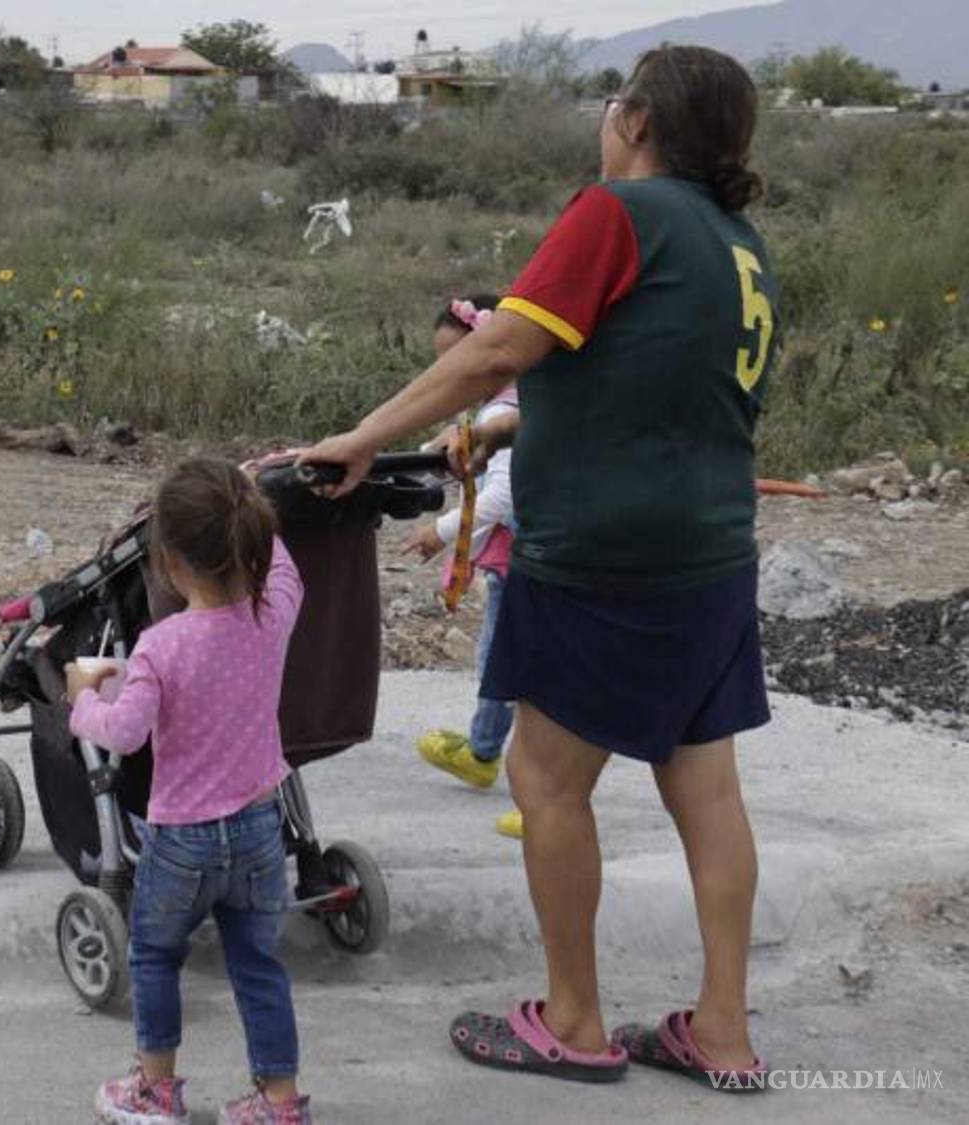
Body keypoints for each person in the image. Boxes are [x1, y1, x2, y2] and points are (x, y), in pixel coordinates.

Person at [298, 45, 776, 1089]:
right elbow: (650, 382)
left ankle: (572, 1019)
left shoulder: (617, 213)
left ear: (639, 122)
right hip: (712, 553)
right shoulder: (739, 245)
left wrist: (365, 436)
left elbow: (494, 349)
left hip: (604, 558)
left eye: (615, 105)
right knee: (707, 791)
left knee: (545, 779)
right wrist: (520, 428)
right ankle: (725, 1035)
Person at [67, 459, 312, 1125]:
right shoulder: (275, 614)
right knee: (259, 964)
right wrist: (252, 493)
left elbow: (122, 733)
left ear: (167, 561)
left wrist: (81, 702)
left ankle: (154, 1088)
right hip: (260, 827)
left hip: (181, 839)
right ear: (253, 540)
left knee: (154, 954)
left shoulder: (158, 646)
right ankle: (279, 1101)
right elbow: (285, 569)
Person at [404, 296, 525, 838]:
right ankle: (484, 748)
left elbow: (502, 498)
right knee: (502, 660)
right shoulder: (500, 402)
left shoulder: (504, 414)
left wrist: (441, 530)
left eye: (459, 362)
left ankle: (538, 789)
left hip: (537, 561)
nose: (449, 376)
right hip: (526, 559)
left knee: (515, 668)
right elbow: (458, 441)